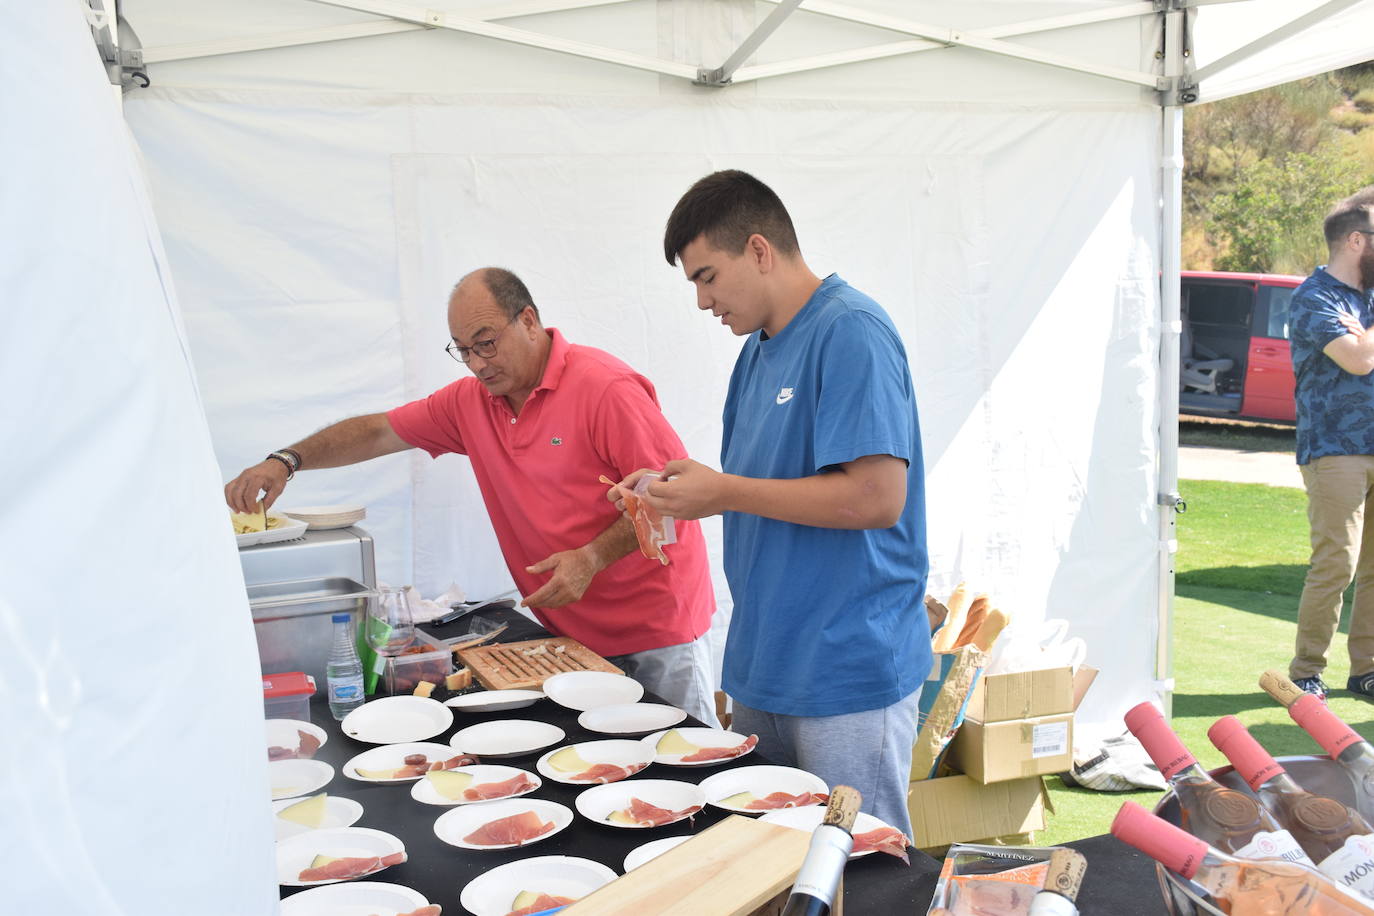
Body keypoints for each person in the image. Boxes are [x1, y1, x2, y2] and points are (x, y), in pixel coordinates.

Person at [225, 267, 718, 724]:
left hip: (657, 634)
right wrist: (287, 460)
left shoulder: (605, 389)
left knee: (687, 770)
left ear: (528, 321)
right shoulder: (470, 403)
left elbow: (668, 498)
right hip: (572, 637)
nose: (477, 364)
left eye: (486, 344)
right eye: (462, 350)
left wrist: (591, 557)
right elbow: (378, 432)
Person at [618, 170, 931, 835]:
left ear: (759, 250)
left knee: (861, 873)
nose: (703, 301)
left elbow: (878, 498)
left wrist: (723, 490)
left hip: (844, 669)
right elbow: (772, 487)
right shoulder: (756, 353)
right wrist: (677, 490)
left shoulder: (851, 331)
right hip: (769, 667)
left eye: (707, 276)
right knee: (769, 869)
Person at [1287, 186, 1374, 702]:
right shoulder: (1313, 297)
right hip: (1335, 449)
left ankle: (1366, 671)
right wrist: (1362, 336)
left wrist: (1362, 329)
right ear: (1357, 241)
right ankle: (1305, 672)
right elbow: (1358, 360)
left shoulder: (1366, 298)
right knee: (1336, 563)